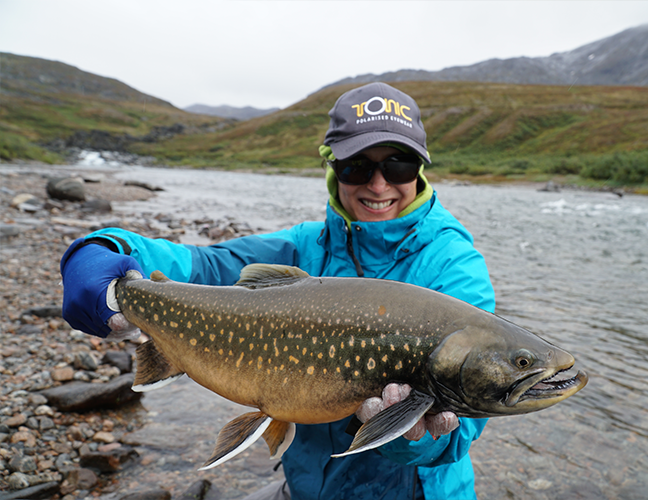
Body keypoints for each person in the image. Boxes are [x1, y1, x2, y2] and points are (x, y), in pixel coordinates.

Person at [60, 82, 496, 500]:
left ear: (420, 168)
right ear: (332, 169)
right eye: (356, 166)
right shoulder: (303, 246)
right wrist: (106, 248)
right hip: (308, 485)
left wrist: (409, 436)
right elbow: (204, 265)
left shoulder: (454, 267)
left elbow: (462, 430)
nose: (378, 185)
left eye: (397, 165)